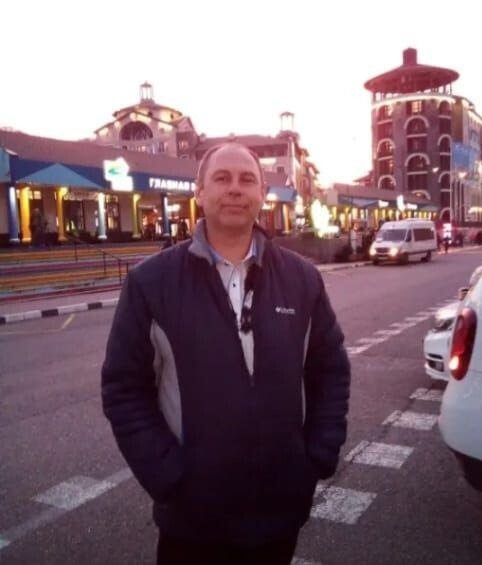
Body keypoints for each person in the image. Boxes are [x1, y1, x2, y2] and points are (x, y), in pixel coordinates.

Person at [101, 142, 351, 565]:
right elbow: (123, 389)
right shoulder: (151, 283)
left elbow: (330, 371)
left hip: (280, 511)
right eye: (222, 178)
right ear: (199, 192)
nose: (235, 188)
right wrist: (166, 474)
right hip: (191, 519)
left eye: (247, 179)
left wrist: (317, 455)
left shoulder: (303, 280)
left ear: (262, 194)